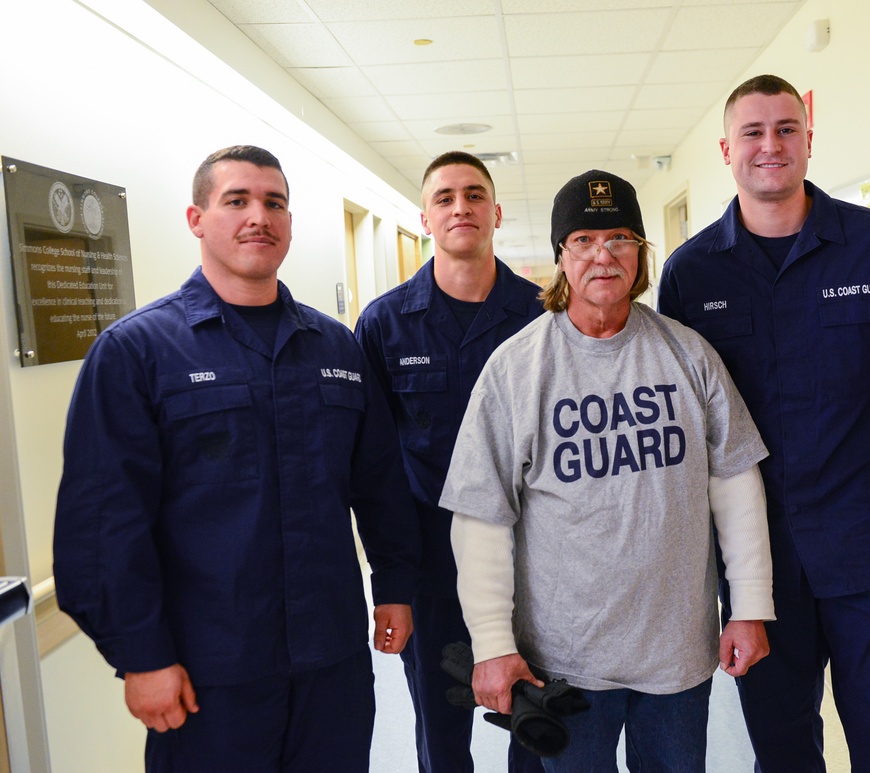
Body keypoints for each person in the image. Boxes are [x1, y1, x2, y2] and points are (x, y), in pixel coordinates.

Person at [53, 145, 420, 772]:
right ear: (197, 219)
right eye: (237, 200)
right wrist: (141, 655)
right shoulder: (137, 352)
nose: (259, 216)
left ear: (290, 222)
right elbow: (103, 525)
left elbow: (380, 480)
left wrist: (395, 585)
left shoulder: (332, 345)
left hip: (330, 663)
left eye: (274, 203)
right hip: (208, 673)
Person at [658, 74, 870, 772]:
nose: (771, 145)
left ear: (809, 138)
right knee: (784, 754)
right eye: (754, 133)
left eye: (786, 129)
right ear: (726, 148)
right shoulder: (691, 274)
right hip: (758, 570)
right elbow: (680, 431)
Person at [439, 169, 775, 771]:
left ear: (641, 255)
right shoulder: (515, 369)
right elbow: (481, 517)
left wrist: (749, 606)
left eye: (620, 237)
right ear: (561, 258)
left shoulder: (688, 354)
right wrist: (492, 643)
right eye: (584, 240)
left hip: (676, 656)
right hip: (566, 665)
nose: (604, 254)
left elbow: (735, 483)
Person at [355, 151, 544, 772]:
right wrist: (393, 586)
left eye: (473, 195)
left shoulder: (543, 314)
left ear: (495, 212)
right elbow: (374, 468)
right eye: (444, 197)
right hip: (431, 566)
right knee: (441, 736)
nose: (460, 207)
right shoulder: (384, 324)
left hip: (536, 564)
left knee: (539, 728)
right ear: (426, 218)